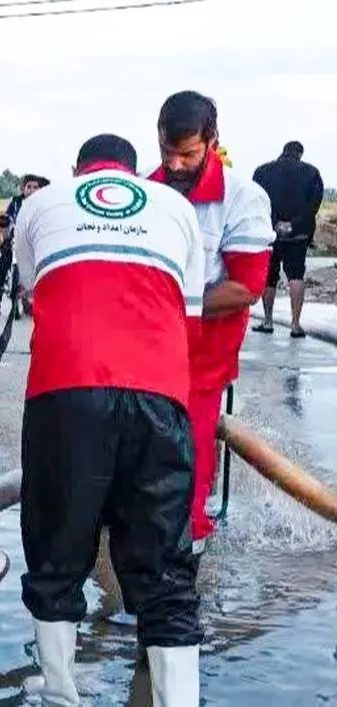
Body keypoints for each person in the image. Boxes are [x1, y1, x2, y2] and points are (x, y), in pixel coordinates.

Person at [13, 134, 205, 706]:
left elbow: (34, 289)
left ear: (78, 169)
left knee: (57, 550)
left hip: (64, 392)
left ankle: (59, 693)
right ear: (132, 169)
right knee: (166, 567)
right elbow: (186, 315)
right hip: (158, 393)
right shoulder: (177, 208)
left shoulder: (40, 204)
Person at [147, 91, 274, 549]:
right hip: (147, 360)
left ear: (213, 141)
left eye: (188, 154)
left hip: (202, 363)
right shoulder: (147, 191)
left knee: (189, 469)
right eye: (167, 152)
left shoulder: (242, 199)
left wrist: (173, 304)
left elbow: (246, 287)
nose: (175, 165)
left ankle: (186, 561)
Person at [252, 140, 325, 337]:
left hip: (270, 231)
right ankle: (295, 325)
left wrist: (275, 222)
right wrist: (293, 223)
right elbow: (314, 205)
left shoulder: (262, 171)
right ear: (300, 153)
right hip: (298, 234)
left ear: (283, 151)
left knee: (270, 277)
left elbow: (256, 200)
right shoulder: (312, 173)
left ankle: (267, 322)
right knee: (296, 276)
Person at [0, 174, 49, 316]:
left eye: (35, 187)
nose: (32, 190)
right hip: (16, 240)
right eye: (29, 187)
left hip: (34, 243)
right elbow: (9, 217)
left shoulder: (43, 203)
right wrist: (4, 221)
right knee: (3, 264)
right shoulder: (16, 202)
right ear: (23, 188)